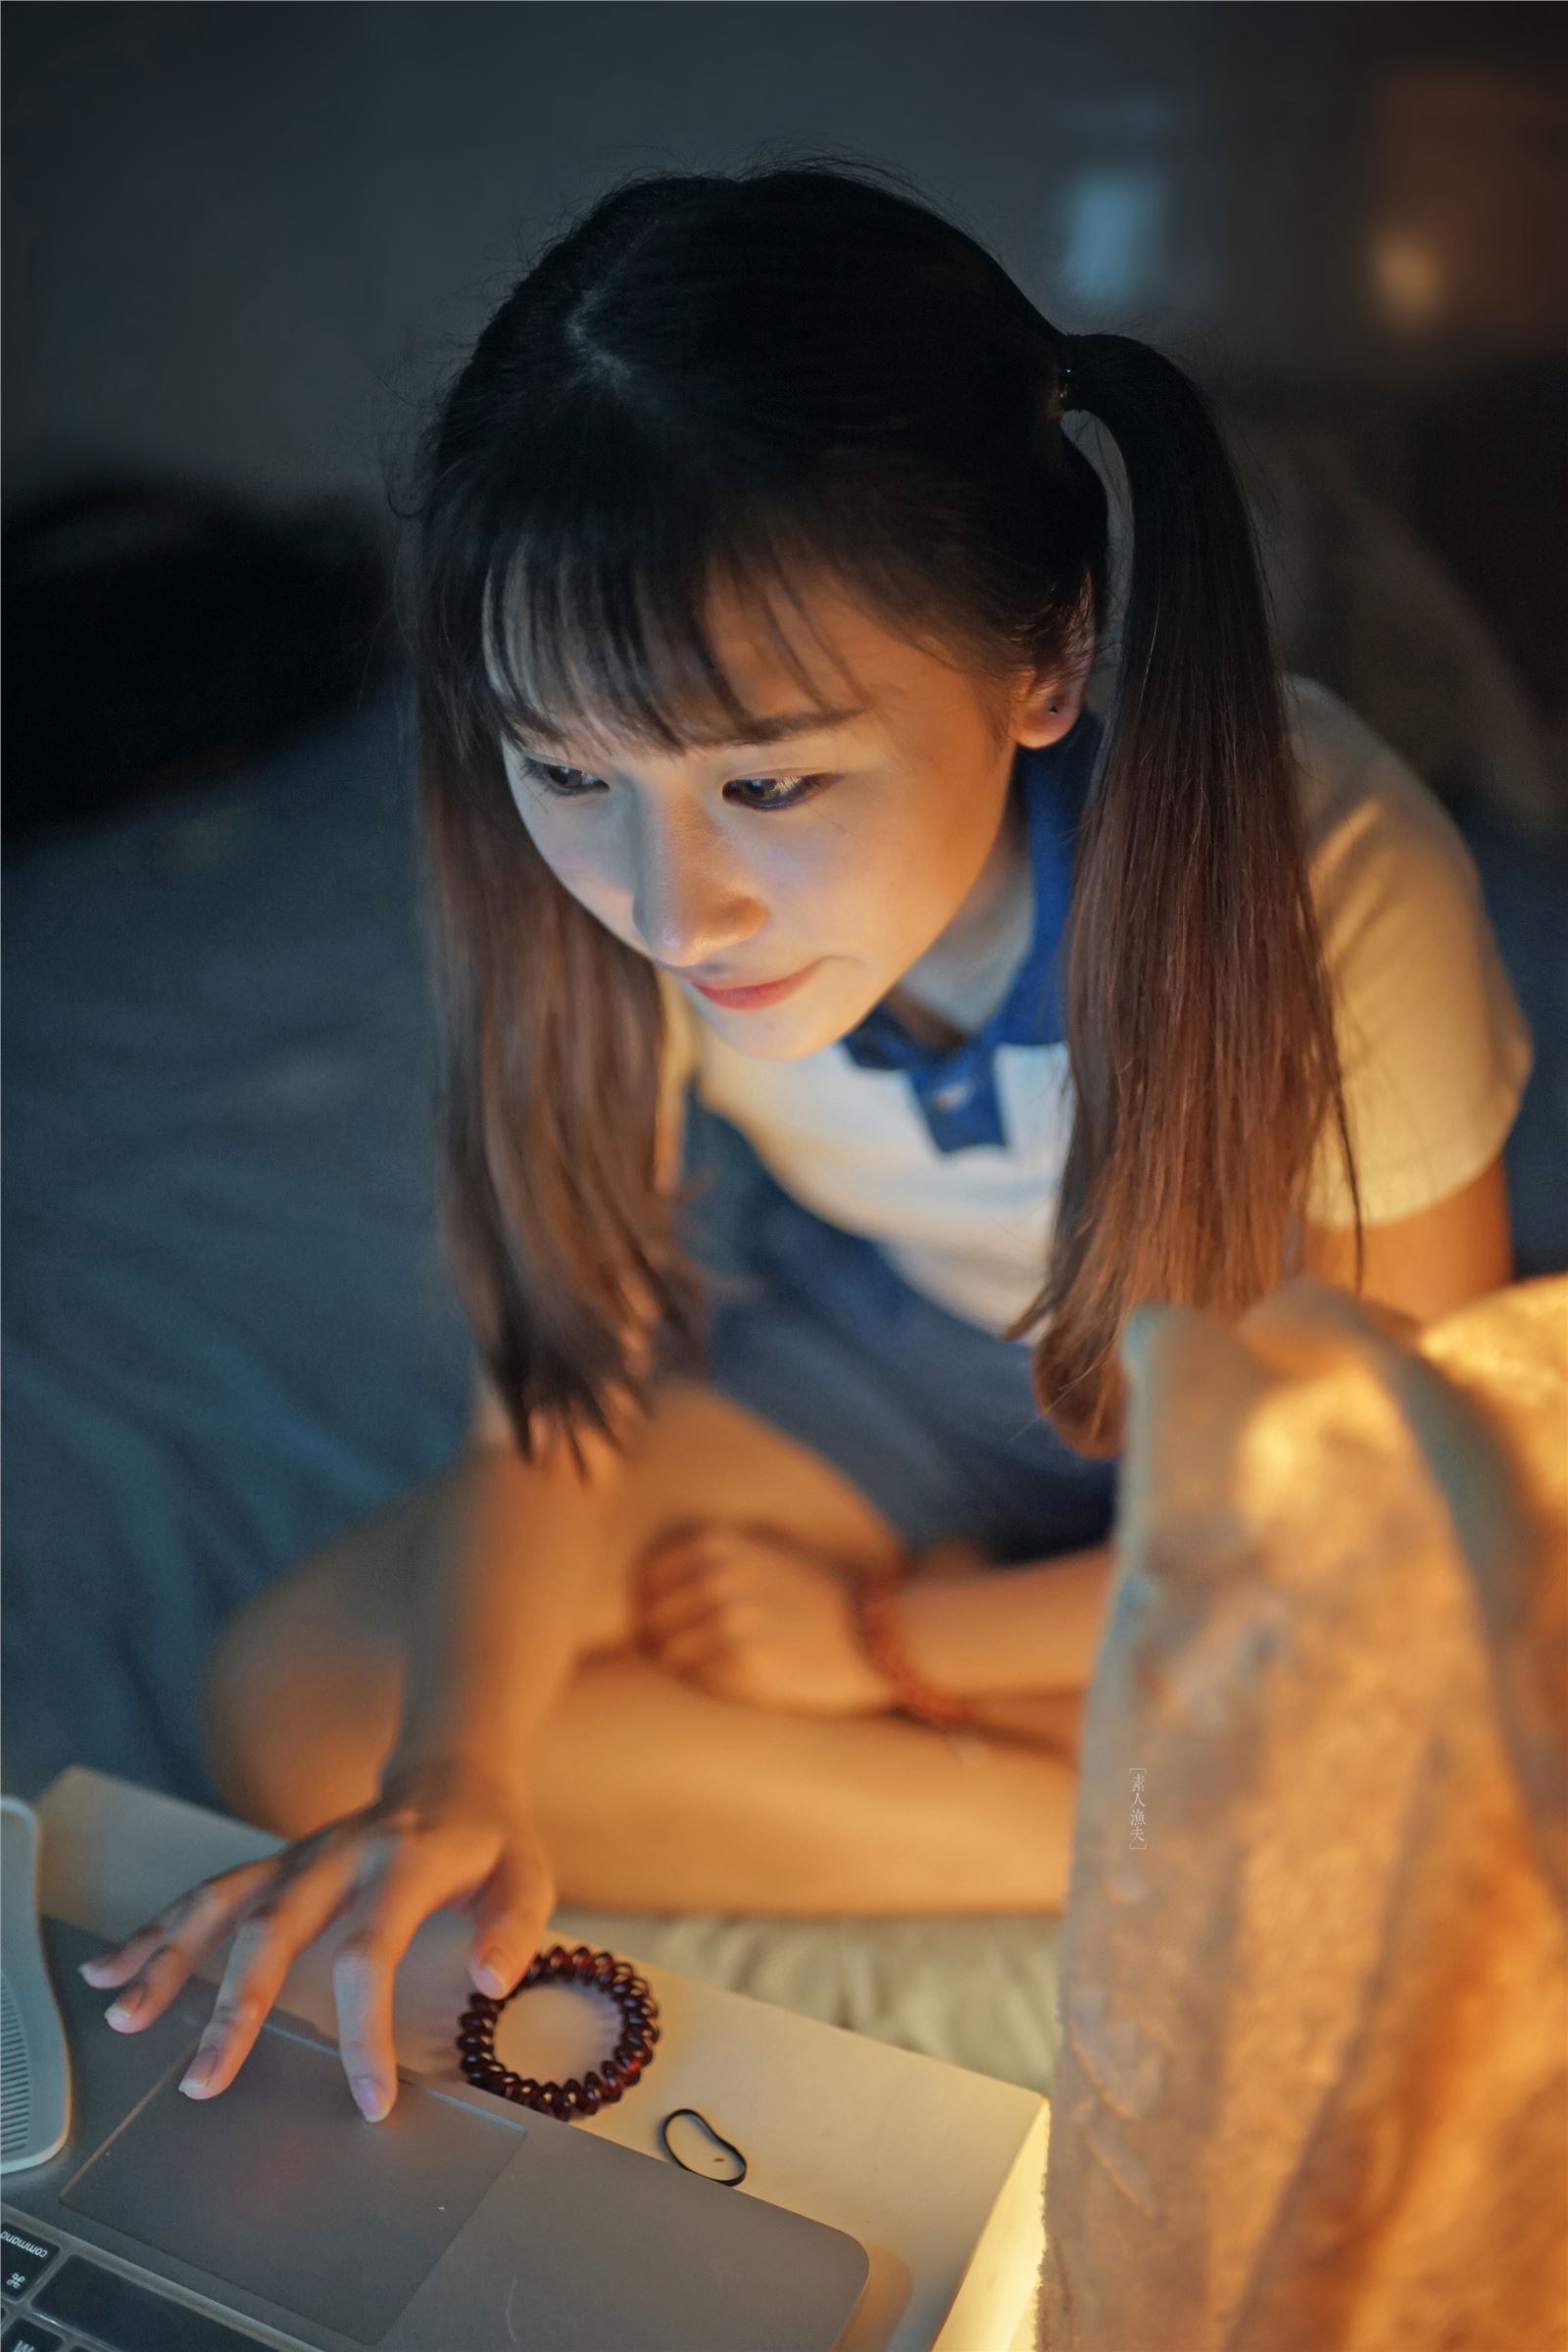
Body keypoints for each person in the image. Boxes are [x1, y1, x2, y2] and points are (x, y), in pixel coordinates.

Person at [76, 158, 1531, 2127]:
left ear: (1041, 660)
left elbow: (1372, 1525)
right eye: (567, 769)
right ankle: (1103, 1805)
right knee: (307, 1707)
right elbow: (559, 1390)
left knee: (1421, 1674)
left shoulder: (1320, 877)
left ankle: (1136, 1754)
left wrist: (882, 1641)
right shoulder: (581, 894)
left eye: (768, 778)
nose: (674, 908)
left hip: (1257, 1462)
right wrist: (463, 1777)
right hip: (903, 1358)